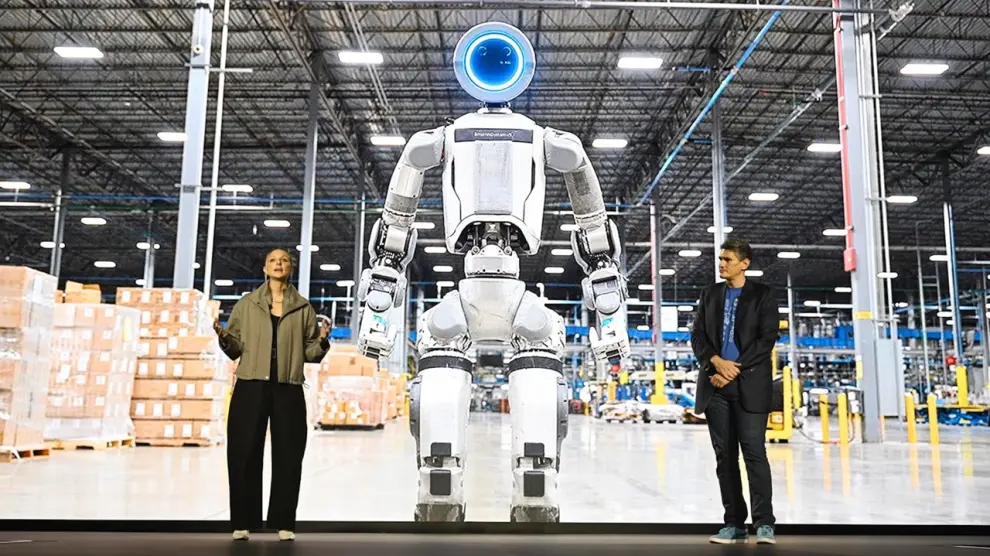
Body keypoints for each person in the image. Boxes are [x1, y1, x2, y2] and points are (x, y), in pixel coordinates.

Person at [213, 247, 331, 542]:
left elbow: (310, 353)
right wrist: (223, 336)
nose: (279, 264)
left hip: (288, 386)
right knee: (243, 453)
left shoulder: (303, 308)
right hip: (251, 384)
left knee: (289, 455)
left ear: (291, 268)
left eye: (284, 260)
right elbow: (235, 347)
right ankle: (243, 521)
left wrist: (322, 341)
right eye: (273, 260)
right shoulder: (247, 305)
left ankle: (284, 522)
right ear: (264, 268)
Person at [690, 238, 779, 545]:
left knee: (754, 454)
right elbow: (698, 336)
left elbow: (766, 340)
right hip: (715, 387)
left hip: (749, 386)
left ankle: (764, 523)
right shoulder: (710, 294)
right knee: (725, 458)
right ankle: (734, 523)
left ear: (745, 264)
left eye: (728, 259)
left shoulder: (763, 295)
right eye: (720, 259)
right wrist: (715, 362)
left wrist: (732, 369)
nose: (722, 263)